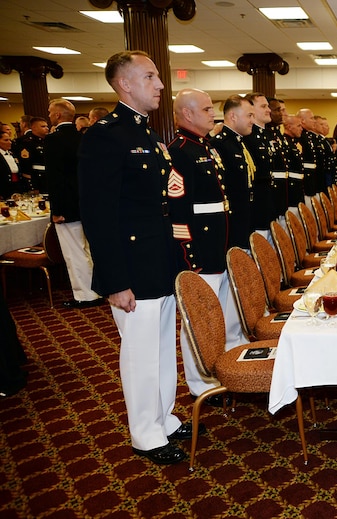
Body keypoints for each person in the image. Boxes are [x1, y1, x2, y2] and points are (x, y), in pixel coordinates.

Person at [78, 50, 192, 465]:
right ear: (124, 84)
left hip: (156, 260)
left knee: (162, 348)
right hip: (129, 266)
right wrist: (114, 280)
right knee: (140, 353)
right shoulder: (105, 135)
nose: (160, 85)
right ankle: (145, 434)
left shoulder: (145, 134)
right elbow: (98, 214)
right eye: (150, 77)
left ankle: (162, 417)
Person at [167, 88, 239, 405]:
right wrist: (190, 257)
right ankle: (198, 383)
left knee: (217, 317)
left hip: (217, 244)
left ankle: (216, 371)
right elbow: (179, 212)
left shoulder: (205, 146)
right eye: (208, 109)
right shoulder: (180, 150)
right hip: (200, 249)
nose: (213, 114)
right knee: (198, 320)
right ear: (187, 114)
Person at [45, 98, 103, 309]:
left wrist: (57, 210)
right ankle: (97, 288)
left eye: (51, 112)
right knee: (89, 249)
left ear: (58, 115)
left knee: (74, 251)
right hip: (87, 203)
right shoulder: (83, 138)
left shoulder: (54, 140)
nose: (49, 115)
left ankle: (85, 295)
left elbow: (55, 178)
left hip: (67, 206)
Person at [210, 94, 256, 254]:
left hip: (245, 219)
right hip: (233, 222)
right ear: (233, 116)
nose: (252, 120)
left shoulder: (238, 143)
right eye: (249, 115)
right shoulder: (220, 144)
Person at [244, 92, 278, 240]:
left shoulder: (266, 136)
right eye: (263, 106)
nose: (268, 110)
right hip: (258, 208)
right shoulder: (248, 138)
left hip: (269, 205)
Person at [17, 116, 48, 192]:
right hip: (37, 180)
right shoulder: (27, 142)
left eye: (47, 126)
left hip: (48, 179)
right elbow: (26, 166)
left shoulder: (48, 141)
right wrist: (33, 185)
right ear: (34, 127)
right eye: (43, 126)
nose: (47, 128)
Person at [0, 131, 22, 198]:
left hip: (16, 186)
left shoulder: (12, 153)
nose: (10, 142)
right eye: (6, 140)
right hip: (3, 188)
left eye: (10, 140)